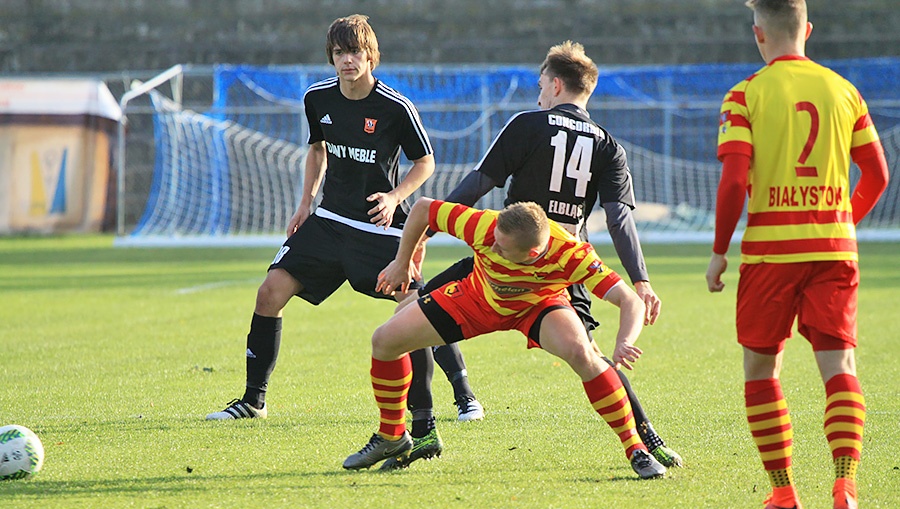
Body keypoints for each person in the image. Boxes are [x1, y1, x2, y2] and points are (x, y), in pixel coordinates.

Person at [381, 41, 682, 471]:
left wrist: (428, 230)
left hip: (504, 257)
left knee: (412, 310)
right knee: (591, 358)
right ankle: (648, 440)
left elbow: (478, 183)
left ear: (556, 85)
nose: (539, 92)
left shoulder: (528, 124)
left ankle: (424, 425)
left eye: (542, 84)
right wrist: (641, 280)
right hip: (566, 264)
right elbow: (619, 220)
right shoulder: (609, 145)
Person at [206, 14, 467, 423]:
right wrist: (304, 204)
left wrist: (396, 196)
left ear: (370, 56)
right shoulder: (317, 98)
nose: (347, 60)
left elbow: (425, 162)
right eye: (340, 52)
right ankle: (253, 401)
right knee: (269, 292)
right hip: (328, 221)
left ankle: (463, 395)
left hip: (377, 226)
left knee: (415, 305)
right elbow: (316, 151)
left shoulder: (396, 107)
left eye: (355, 52)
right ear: (332, 57)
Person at [706, 0, 889, 509]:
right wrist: (840, 220)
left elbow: (735, 181)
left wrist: (719, 252)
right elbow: (876, 174)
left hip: (769, 254)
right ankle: (846, 487)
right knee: (840, 368)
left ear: (758, 33)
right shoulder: (844, 91)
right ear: (807, 30)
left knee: (761, 369)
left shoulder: (745, 95)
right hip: (833, 250)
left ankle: (784, 497)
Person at [343, 198, 668, 479]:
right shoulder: (485, 225)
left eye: (503, 247)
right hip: (477, 298)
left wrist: (625, 339)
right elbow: (424, 209)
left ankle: (636, 449)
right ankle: (392, 436)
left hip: (538, 305)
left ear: (533, 252)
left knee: (584, 354)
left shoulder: (571, 253)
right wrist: (402, 262)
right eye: (495, 239)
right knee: (385, 340)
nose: (492, 246)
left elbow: (629, 300)